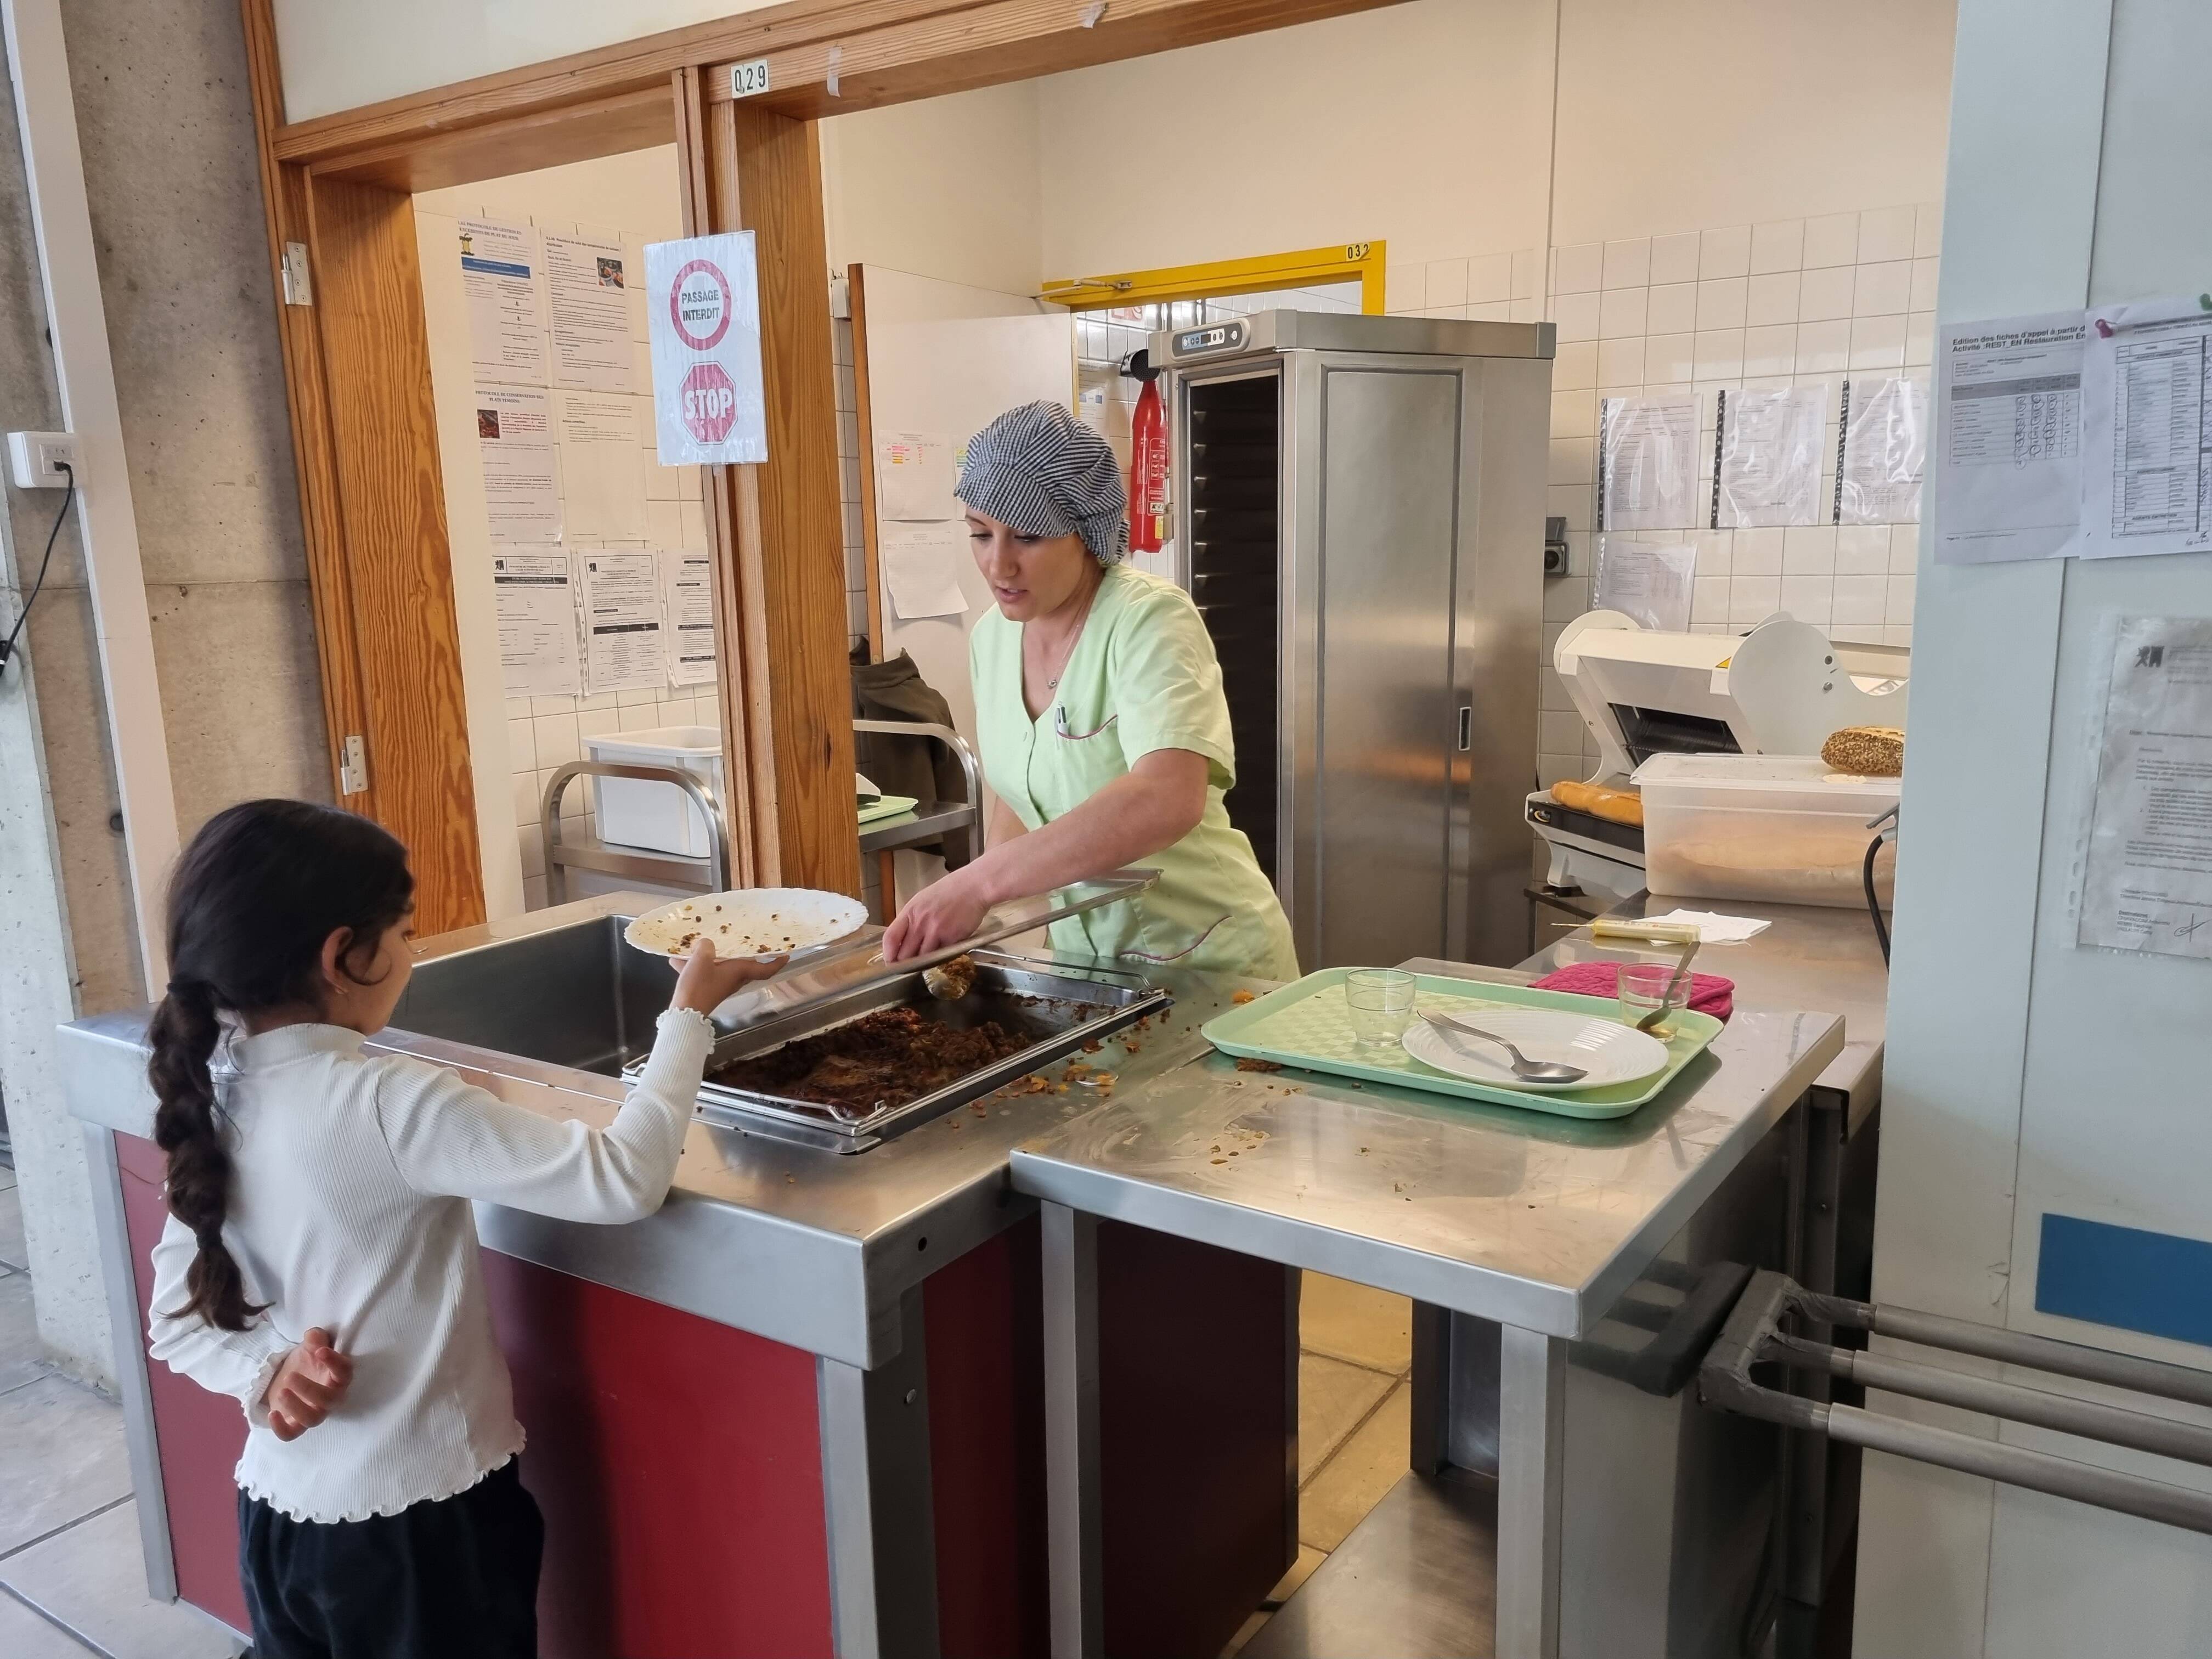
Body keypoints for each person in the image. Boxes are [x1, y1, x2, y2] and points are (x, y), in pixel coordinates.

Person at [143, 799, 779, 1659]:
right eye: (404, 934)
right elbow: (625, 1178)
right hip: (423, 1532)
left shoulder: (213, 1094)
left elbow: (175, 1322)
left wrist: (267, 1375)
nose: (412, 955)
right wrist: (689, 1012)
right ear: (341, 957)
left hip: (280, 1523)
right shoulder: (387, 1102)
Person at [882, 400, 1297, 980]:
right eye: (980, 534)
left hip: (1214, 964)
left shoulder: (1149, 620)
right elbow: (1019, 795)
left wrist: (976, 884)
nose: (998, 565)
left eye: (1027, 536)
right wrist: (984, 922)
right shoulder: (992, 640)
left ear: (1086, 534)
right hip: (1090, 968)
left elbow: (1166, 796)